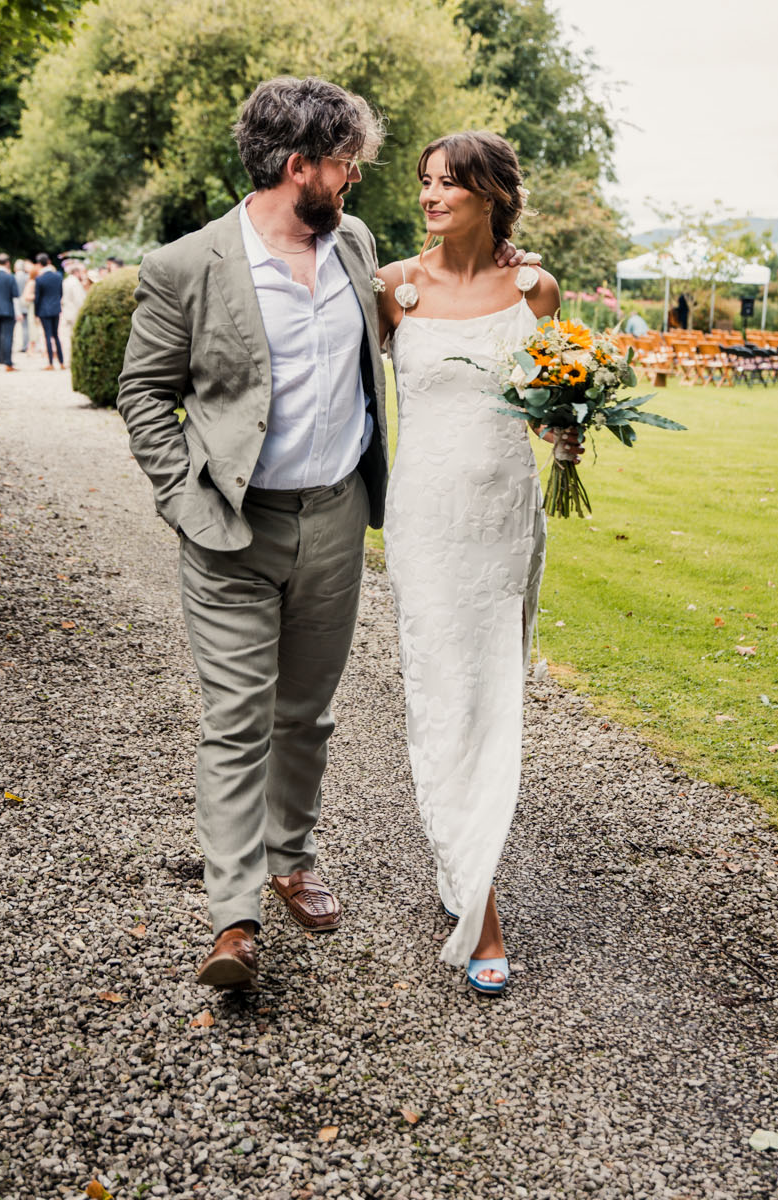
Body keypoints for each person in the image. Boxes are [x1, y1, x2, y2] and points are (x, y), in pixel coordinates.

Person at [118, 77, 529, 990]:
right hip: (230, 525)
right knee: (235, 719)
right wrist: (186, 501)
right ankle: (235, 920)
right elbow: (144, 395)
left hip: (340, 516)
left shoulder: (359, 249)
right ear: (299, 165)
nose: (357, 180)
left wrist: (503, 263)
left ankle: (291, 857)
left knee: (305, 714)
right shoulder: (185, 266)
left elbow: (453, 323)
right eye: (346, 164)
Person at [375, 130, 580, 995]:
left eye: (449, 185)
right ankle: (479, 904)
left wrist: (565, 431)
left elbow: (540, 406)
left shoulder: (533, 289)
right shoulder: (391, 288)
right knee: (442, 690)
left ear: (492, 194)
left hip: (502, 520)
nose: (431, 197)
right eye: (425, 183)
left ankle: (463, 861)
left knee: (491, 695)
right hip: (423, 519)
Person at [33, 253, 65, 369]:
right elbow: (60, 293)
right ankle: (61, 362)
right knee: (56, 335)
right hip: (56, 309)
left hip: (44, 310)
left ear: (39, 264)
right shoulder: (58, 276)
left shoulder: (40, 279)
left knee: (47, 336)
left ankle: (50, 363)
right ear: (49, 261)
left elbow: (37, 298)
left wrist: (36, 313)